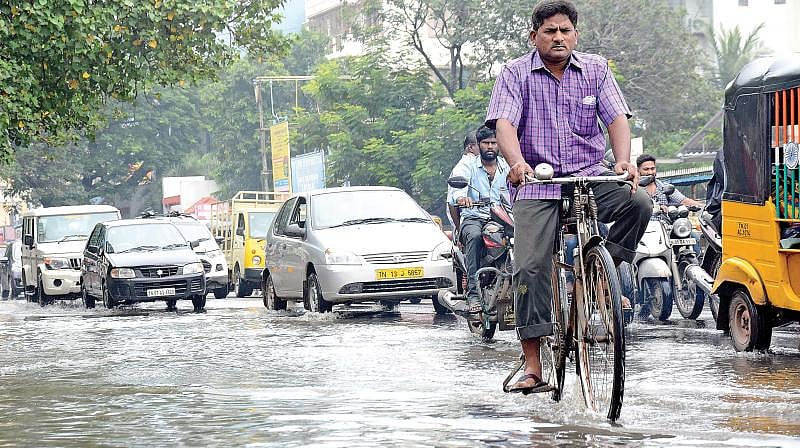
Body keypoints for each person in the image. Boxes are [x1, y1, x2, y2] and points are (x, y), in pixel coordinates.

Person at [485, 0, 651, 393]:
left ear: (575, 34)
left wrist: (624, 162)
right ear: (534, 36)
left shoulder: (595, 69)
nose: (558, 38)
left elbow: (615, 118)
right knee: (528, 267)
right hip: (537, 185)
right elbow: (505, 123)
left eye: (565, 31)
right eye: (549, 31)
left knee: (639, 201)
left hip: (590, 179)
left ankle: (598, 274)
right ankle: (533, 364)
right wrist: (517, 162)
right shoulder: (515, 73)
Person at [449, 126, 510, 313]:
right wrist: (462, 198)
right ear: (478, 146)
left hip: (502, 217)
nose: (490, 146)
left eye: (493, 142)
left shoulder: (506, 166)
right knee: (474, 237)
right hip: (474, 217)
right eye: (485, 143)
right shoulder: (467, 165)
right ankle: (474, 293)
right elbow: (455, 192)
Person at [637, 154, 704, 210]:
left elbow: (684, 200)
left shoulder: (664, 187)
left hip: (663, 224)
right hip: (641, 225)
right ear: (638, 170)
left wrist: (704, 207)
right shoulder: (634, 189)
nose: (650, 172)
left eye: (652, 168)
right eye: (646, 169)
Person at [447, 131, 481, 230]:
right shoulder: (464, 166)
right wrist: (459, 229)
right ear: (470, 148)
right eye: (482, 144)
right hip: (471, 222)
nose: (488, 147)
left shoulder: (499, 164)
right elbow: (452, 202)